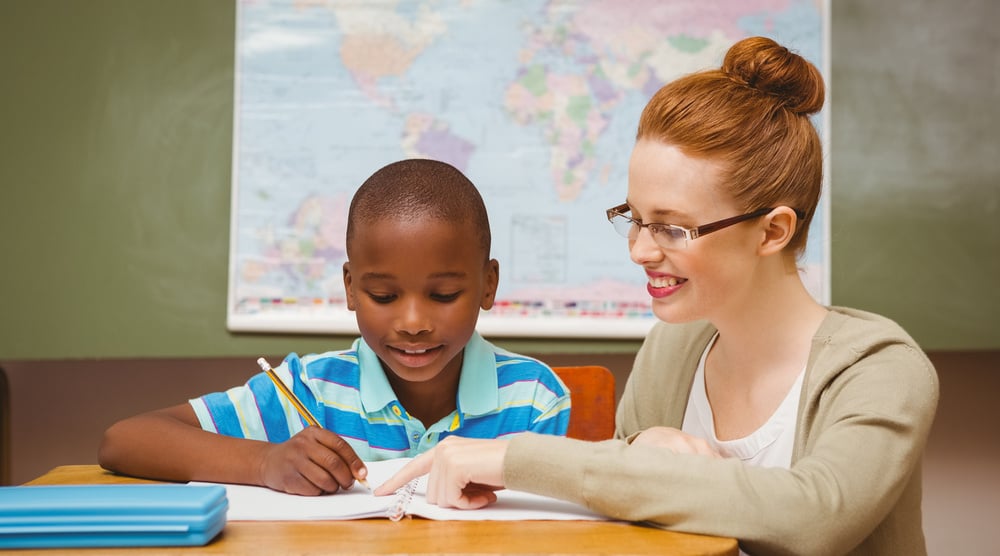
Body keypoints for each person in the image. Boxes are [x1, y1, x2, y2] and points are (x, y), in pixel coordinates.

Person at [376, 37, 939, 555]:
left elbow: (816, 516)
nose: (639, 251)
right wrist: (644, 445)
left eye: (671, 227)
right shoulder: (673, 347)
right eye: (634, 218)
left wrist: (515, 458)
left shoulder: (880, 368)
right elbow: (629, 521)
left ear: (772, 231)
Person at [99, 159, 571, 496]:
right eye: (383, 297)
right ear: (350, 288)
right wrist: (266, 462)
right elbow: (124, 439)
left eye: (443, 295)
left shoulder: (533, 399)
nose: (412, 324)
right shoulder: (311, 390)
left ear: (488, 285)